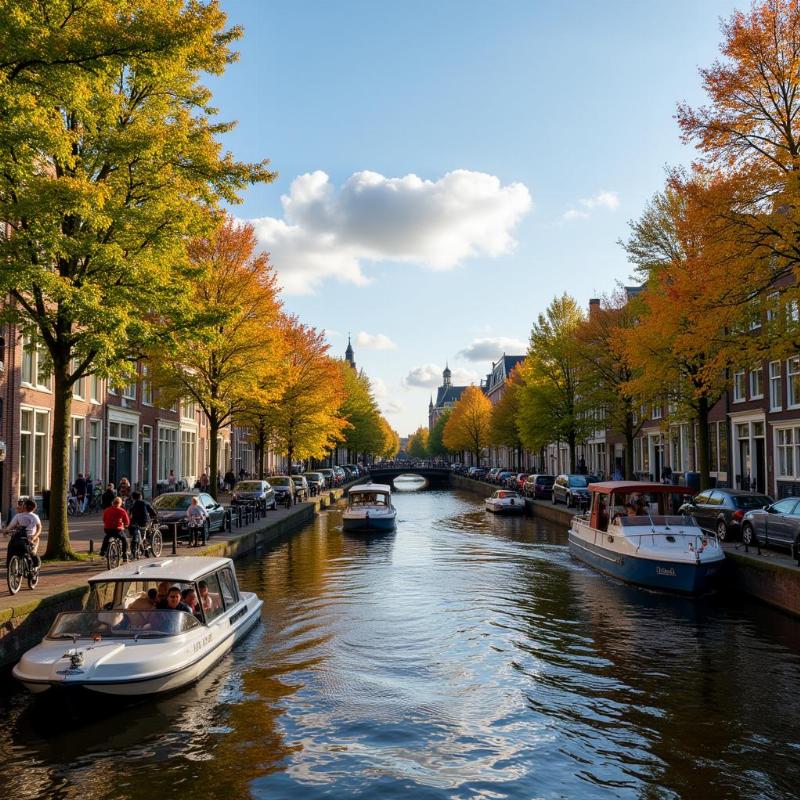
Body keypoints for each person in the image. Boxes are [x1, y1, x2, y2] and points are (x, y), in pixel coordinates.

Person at [4, 498, 42, 568]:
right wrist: (35, 536)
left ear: (24, 507)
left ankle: (9, 564)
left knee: (12, 545)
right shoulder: (35, 516)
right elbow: (39, 528)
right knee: (36, 540)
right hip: (30, 538)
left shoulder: (18, 516)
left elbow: (10, 526)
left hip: (18, 537)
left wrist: (6, 531)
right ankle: (33, 555)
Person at [128, 491, 157, 557]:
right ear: (141, 497)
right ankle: (146, 547)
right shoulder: (145, 503)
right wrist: (154, 515)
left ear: (132, 498)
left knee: (134, 535)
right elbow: (152, 512)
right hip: (144, 522)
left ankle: (135, 549)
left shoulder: (132, 504)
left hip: (134, 522)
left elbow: (129, 514)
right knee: (147, 533)